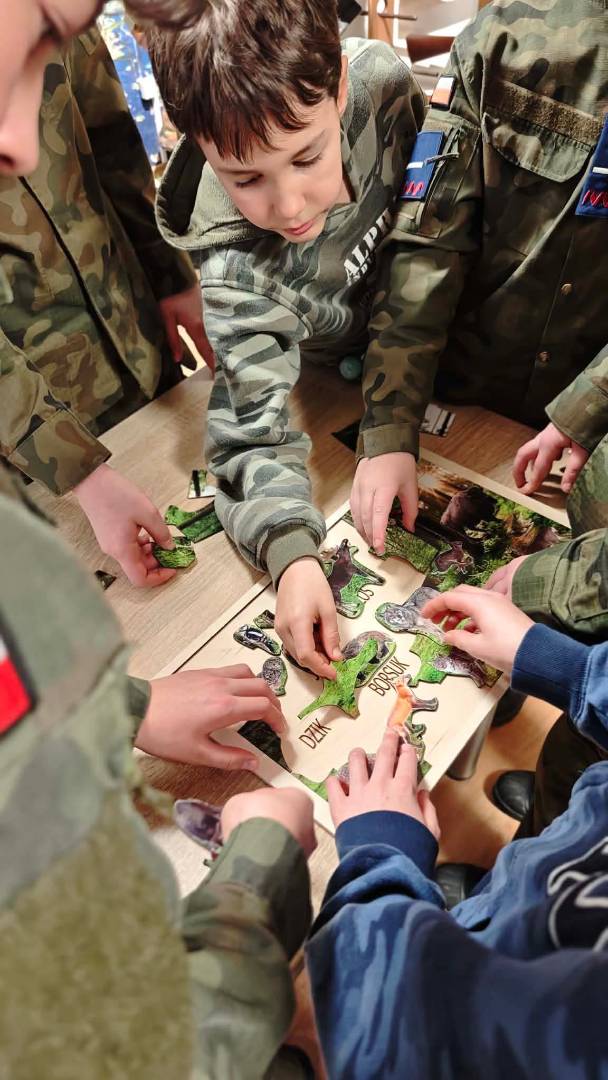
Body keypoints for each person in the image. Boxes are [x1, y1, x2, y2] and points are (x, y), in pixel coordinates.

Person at [0, 3, 317, 1074]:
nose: (20, 140)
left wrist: (163, 271)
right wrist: (261, 860)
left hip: (121, 356)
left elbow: (105, 146)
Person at [148, 0, 425, 679]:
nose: (290, 206)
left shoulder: (385, 83)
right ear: (199, 147)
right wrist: (293, 558)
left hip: (432, 352)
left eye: (307, 157)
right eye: (246, 179)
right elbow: (250, 435)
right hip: (329, 386)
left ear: (340, 87)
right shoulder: (233, 268)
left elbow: (437, 225)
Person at [304, 595, 608, 1077]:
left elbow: (402, 1045)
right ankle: (489, 899)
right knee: (535, 849)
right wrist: (571, 669)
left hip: (436, 958)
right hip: (548, 872)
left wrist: (381, 857)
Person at [350, 0, 608, 558]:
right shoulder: (502, 39)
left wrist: (592, 403)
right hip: (463, 398)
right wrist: (390, 425)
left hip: (586, 451)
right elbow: (428, 241)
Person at [0, 26, 212, 588]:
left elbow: (113, 140)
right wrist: (78, 472)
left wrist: (171, 276)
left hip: (138, 345)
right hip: (31, 437)